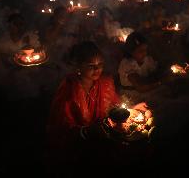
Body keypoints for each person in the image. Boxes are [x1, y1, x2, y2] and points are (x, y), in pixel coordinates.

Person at [46, 41, 149, 172]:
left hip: (104, 136)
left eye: (100, 64)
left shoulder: (105, 82)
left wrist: (133, 109)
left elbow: (114, 107)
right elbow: (62, 129)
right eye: (91, 65)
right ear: (78, 67)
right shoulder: (69, 90)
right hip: (78, 145)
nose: (97, 69)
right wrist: (88, 131)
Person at [118, 32, 164, 106]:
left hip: (148, 91)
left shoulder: (147, 60)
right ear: (131, 51)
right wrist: (161, 81)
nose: (144, 53)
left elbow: (155, 74)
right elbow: (141, 87)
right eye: (140, 51)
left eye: (145, 50)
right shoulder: (127, 64)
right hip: (132, 97)